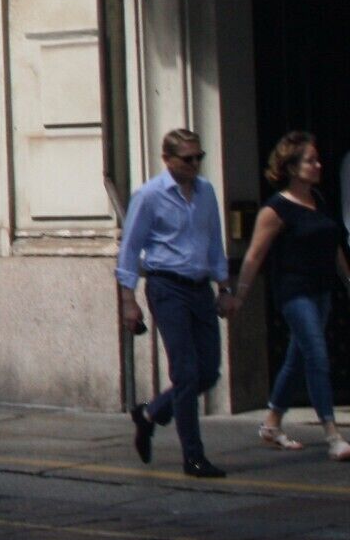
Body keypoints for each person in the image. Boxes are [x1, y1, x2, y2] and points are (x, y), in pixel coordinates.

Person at [117, 128, 237, 478]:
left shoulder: (206, 192)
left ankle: (151, 413)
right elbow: (129, 250)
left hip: (200, 288)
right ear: (167, 159)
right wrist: (129, 301)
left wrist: (224, 288)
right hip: (167, 287)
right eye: (188, 159)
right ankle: (193, 456)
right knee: (185, 372)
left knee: (207, 371)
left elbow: (215, 242)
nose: (195, 164)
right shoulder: (150, 196)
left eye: (199, 157)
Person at [234, 132, 350, 461]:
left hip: (322, 290)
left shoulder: (320, 200)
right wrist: (240, 297)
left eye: (316, 159)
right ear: (291, 167)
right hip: (293, 292)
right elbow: (254, 256)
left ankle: (271, 423)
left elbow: (335, 248)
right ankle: (332, 434)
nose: (317, 165)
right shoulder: (276, 209)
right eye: (310, 160)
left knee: (296, 357)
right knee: (316, 354)